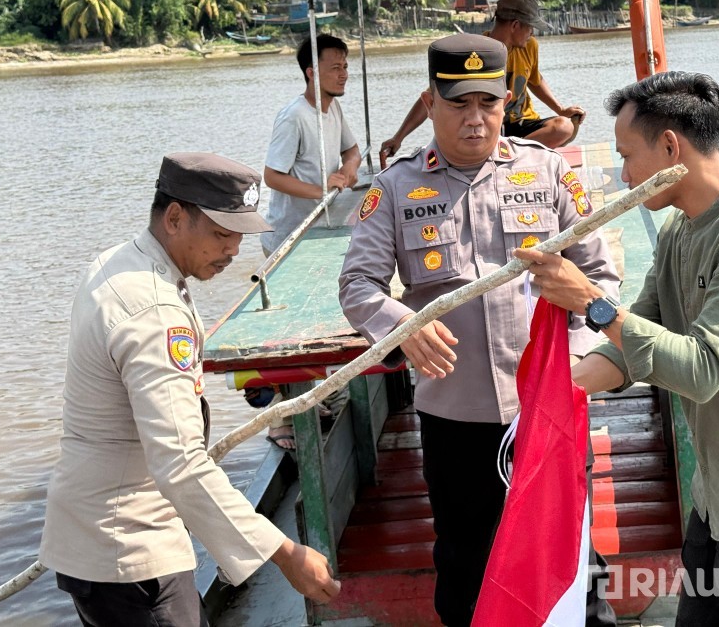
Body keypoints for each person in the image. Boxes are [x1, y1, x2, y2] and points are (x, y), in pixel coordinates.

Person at [516, 71, 719, 627]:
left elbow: (700, 369)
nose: (624, 176)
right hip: (718, 496)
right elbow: (637, 338)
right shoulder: (681, 229)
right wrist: (545, 401)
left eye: (628, 156)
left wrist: (591, 301)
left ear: (671, 147)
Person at [339, 33, 620, 626]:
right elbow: (358, 286)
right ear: (430, 102)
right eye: (459, 105)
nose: (475, 121)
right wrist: (401, 326)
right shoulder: (393, 188)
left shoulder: (547, 172)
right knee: (465, 566)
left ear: (507, 102)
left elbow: (601, 278)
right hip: (454, 420)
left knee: (569, 561)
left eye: (488, 105)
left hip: (545, 409)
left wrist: (581, 360)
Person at [40, 153, 340, 627]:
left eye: (240, 235)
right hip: (132, 552)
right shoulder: (154, 312)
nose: (234, 250)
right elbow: (179, 462)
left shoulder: (117, 264)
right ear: (175, 217)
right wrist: (283, 553)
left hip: (91, 538)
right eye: (222, 234)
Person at [261, 33, 362, 449]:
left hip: (318, 233)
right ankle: (279, 421)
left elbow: (352, 151)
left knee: (316, 320)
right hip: (288, 236)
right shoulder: (294, 117)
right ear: (311, 72)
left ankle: (306, 401)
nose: (343, 73)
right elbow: (272, 175)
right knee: (284, 329)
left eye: (344, 66)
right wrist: (323, 189)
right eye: (335, 67)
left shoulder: (333, 108)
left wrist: (349, 170)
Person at [378, 0, 586, 167]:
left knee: (564, 127)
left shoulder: (530, 47)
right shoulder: (476, 54)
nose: (531, 33)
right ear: (515, 25)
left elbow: (535, 79)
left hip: (522, 125)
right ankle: (503, 153)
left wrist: (561, 109)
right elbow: (435, 95)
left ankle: (510, 154)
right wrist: (399, 137)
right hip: (489, 127)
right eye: (530, 27)